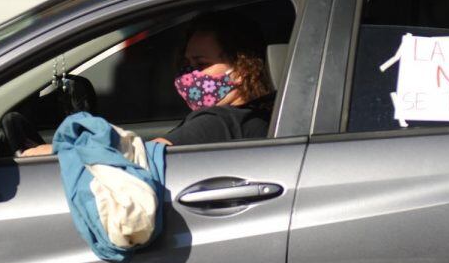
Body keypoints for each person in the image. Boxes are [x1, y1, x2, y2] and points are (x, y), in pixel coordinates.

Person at [17, 10, 274, 157]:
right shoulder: (260, 114)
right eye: (187, 64)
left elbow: (139, 155)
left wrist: (56, 150)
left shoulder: (219, 121)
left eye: (201, 64)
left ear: (240, 69)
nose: (189, 76)